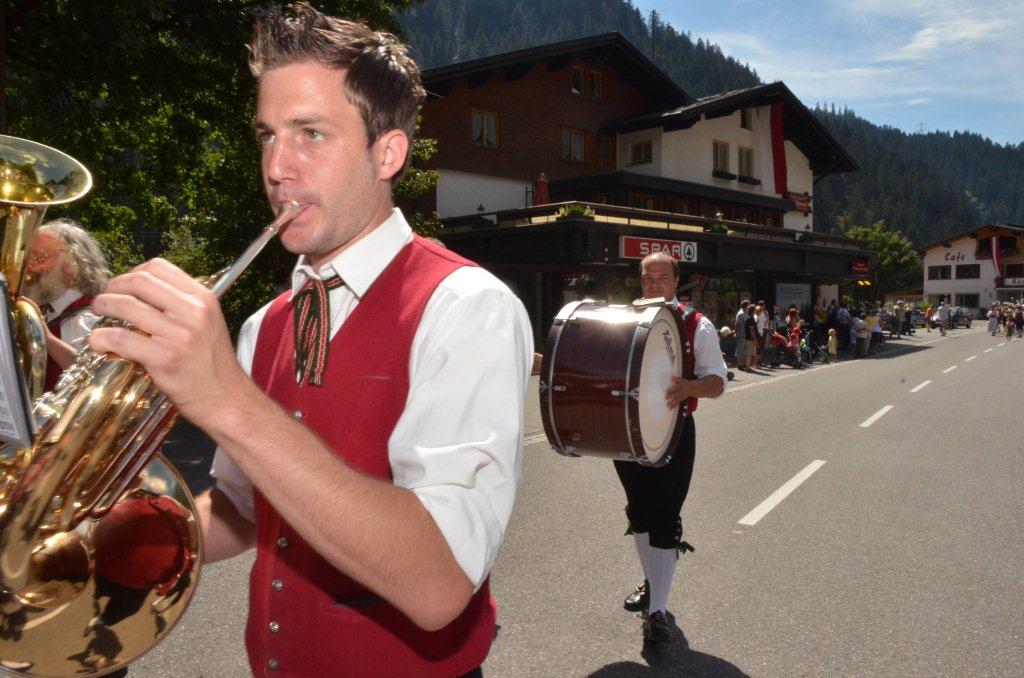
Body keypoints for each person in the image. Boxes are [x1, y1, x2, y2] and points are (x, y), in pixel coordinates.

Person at [89, 5, 533, 676]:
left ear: (387, 153)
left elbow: (440, 584)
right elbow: (245, 507)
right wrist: (115, 536)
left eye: (311, 134)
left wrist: (225, 399)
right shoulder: (262, 324)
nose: (276, 167)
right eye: (267, 135)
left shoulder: (467, 306)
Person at [618, 252, 727, 644]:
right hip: (628, 432)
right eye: (647, 278)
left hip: (674, 433)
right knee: (639, 512)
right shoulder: (625, 318)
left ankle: (658, 611)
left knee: (665, 517)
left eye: (661, 277)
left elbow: (718, 381)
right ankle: (652, 581)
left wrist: (689, 388)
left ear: (676, 280)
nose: (653, 284)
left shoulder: (697, 324)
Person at [22, 218, 109, 390]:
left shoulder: (91, 319)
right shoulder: (44, 311)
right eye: (27, 258)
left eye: (38, 257)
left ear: (72, 263)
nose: (28, 267)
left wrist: (46, 337)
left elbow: (97, 379)